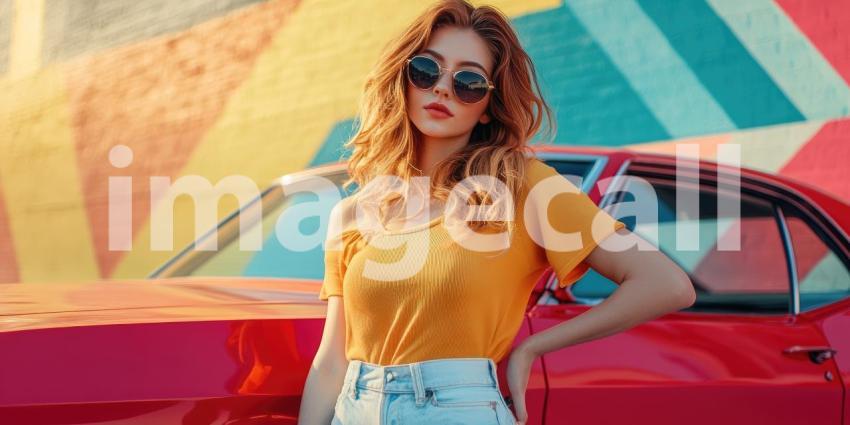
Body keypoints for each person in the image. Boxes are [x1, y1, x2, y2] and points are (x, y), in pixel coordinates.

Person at [298, 1, 695, 424]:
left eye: (468, 81)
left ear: (487, 105)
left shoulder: (523, 187)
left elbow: (666, 284)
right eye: (426, 70)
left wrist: (531, 347)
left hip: (458, 409)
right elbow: (331, 362)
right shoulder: (352, 214)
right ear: (404, 79)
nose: (443, 88)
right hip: (354, 407)